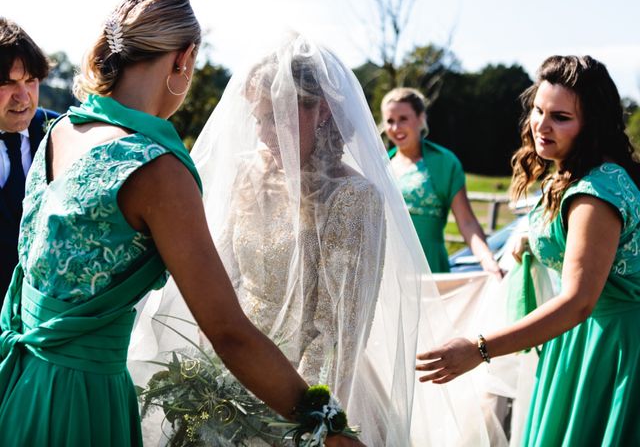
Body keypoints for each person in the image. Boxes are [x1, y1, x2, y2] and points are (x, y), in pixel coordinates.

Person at [0, 0, 361, 447]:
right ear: (183, 59)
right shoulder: (157, 169)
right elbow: (228, 332)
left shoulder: (61, 130)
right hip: (79, 399)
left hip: (17, 378)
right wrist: (326, 424)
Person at [131, 32, 492, 446]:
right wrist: (211, 366)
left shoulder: (353, 199)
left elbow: (336, 332)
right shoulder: (249, 177)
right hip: (227, 366)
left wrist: (306, 419)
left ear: (320, 111)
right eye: (258, 118)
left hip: (300, 388)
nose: (265, 133)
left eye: (277, 117)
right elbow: (220, 278)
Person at [416, 55, 640, 446]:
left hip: (610, 347)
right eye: (538, 109)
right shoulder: (578, 173)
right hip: (576, 339)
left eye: (561, 117)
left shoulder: (596, 195)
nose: (542, 124)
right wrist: (528, 238)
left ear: (593, 123)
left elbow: (577, 302)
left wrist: (479, 348)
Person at [381, 87, 501, 275]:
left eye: (403, 119)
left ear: (420, 118)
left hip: (430, 269)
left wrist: (488, 261)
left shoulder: (445, 162)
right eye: (390, 121)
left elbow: (467, 222)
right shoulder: (381, 166)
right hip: (387, 270)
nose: (396, 128)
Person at [0, 17, 58, 300]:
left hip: (44, 313)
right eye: (6, 84)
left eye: (30, 81)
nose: (23, 97)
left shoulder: (63, 133)